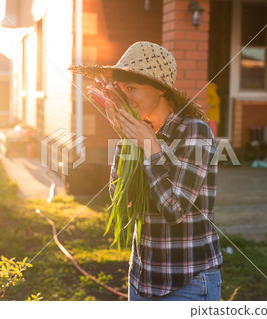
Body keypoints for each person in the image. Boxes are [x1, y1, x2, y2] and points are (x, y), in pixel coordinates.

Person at [68, 41, 223, 301]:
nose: (123, 97)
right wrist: (125, 138)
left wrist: (150, 148)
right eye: (120, 89)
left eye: (131, 88)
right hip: (142, 278)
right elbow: (121, 199)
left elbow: (175, 209)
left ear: (161, 89)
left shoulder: (194, 131)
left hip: (188, 282)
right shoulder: (138, 130)